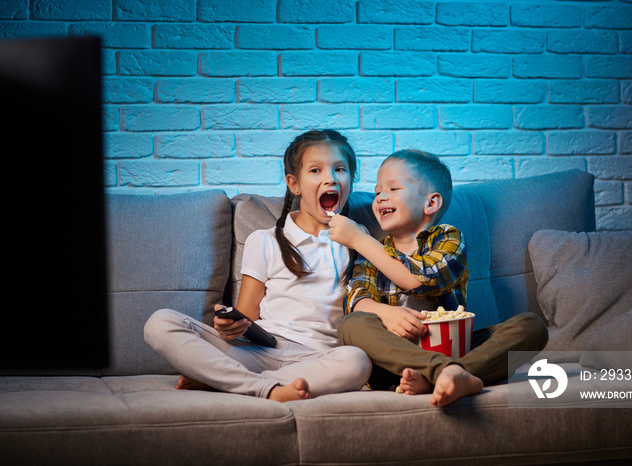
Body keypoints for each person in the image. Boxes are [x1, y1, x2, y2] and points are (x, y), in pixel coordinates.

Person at [144, 129, 371, 402]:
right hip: (260, 351)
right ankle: (266, 388)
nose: (330, 178)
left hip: (319, 356)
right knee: (160, 322)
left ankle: (226, 381)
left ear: (351, 180)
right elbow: (246, 315)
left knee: (357, 361)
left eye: (340, 169)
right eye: (315, 170)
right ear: (294, 183)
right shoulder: (264, 241)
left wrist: (357, 239)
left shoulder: (358, 238)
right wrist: (231, 326)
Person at [328, 150, 548, 407]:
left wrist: (358, 238)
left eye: (393, 188)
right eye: (377, 192)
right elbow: (357, 300)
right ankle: (450, 373)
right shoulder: (371, 251)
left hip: (453, 346)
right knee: (351, 325)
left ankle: (440, 375)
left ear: (430, 203)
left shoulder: (448, 239)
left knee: (531, 326)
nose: (381, 197)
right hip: (395, 359)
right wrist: (385, 314)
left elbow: (417, 280)